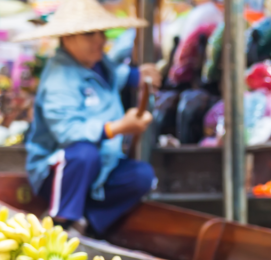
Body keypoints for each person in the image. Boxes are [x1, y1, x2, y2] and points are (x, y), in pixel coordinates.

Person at [16, 0, 162, 235]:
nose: (99, 40)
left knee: (141, 176)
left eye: (101, 33)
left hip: (102, 167)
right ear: (67, 38)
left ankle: (86, 223)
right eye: (89, 34)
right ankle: (60, 219)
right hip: (58, 172)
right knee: (84, 153)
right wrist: (117, 128)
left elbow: (118, 75)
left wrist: (138, 75)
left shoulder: (99, 64)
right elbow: (68, 133)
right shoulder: (59, 78)